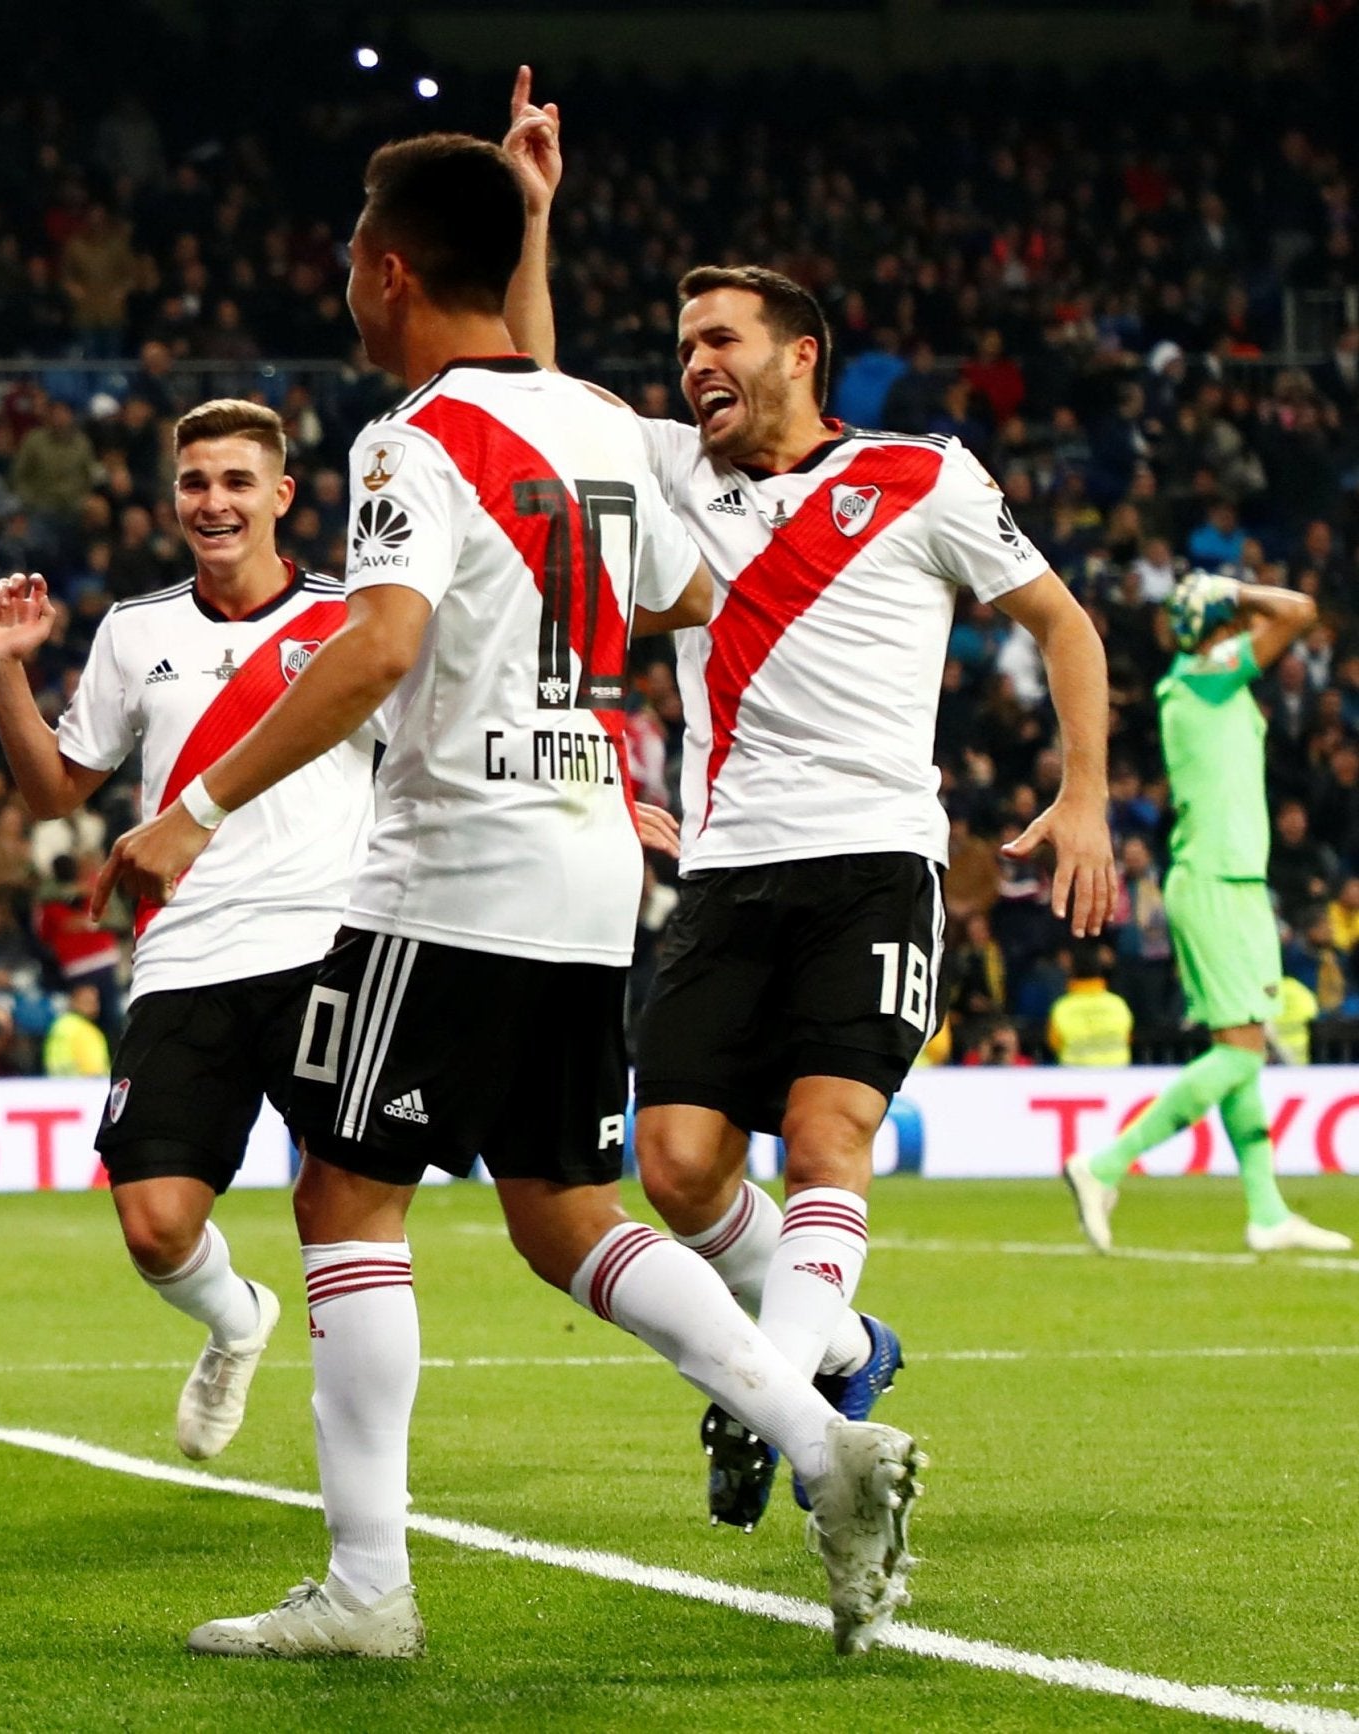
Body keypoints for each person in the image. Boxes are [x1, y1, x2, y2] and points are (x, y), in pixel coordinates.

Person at [95, 133, 922, 1660]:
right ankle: (823, 1440)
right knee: (564, 1215)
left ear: (394, 268)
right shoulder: (601, 420)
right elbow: (686, 589)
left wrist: (195, 808)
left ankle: (366, 1588)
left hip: (452, 864)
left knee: (347, 1199)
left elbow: (383, 641)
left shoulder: (410, 439)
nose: (349, 282)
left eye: (356, 254)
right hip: (587, 860)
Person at [501, 69, 1113, 1532]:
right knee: (679, 1164)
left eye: (719, 339)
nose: (693, 362)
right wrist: (535, 216)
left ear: (801, 354)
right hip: (724, 874)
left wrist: (1085, 794)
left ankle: (763, 1403)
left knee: (829, 1138)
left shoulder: (923, 475)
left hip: (874, 863)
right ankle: (836, 1351)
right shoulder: (668, 469)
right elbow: (526, 399)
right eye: (681, 343)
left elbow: (1067, 624)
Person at [0, 397, 368, 1462]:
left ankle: (363, 1493)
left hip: (330, 943)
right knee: (153, 1223)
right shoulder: (133, 633)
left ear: (281, 496)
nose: (213, 503)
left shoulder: (354, 623)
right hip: (187, 952)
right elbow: (56, 791)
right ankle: (236, 1320)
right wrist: (5, 668)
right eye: (195, 482)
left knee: (342, 1212)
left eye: (237, 482)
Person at [1064, 574, 1350, 1253]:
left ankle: (1267, 1211)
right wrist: (1239, 588)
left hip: (1229, 879)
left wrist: (1224, 602)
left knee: (1240, 1048)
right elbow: (1303, 611)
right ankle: (1102, 1164)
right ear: (1222, 625)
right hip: (1220, 880)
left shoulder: (1198, 681)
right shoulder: (1208, 673)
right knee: (1241, 1054)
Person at [1047, 943, 1134, 1067]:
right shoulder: (1117, 1004)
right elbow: (1128, 1038)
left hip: (1076, 1078)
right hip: (1116, 1077)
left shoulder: (1062, 1007)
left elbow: (1054, 1043)